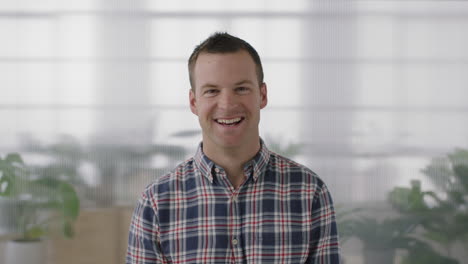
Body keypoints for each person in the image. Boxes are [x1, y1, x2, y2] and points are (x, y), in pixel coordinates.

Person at [126, 32, 341, 264]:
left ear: (263, 95)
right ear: (193, 102)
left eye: (241, 89)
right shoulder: (156, 203)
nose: (227, 104)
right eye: (212, 91)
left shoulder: (309, 193)